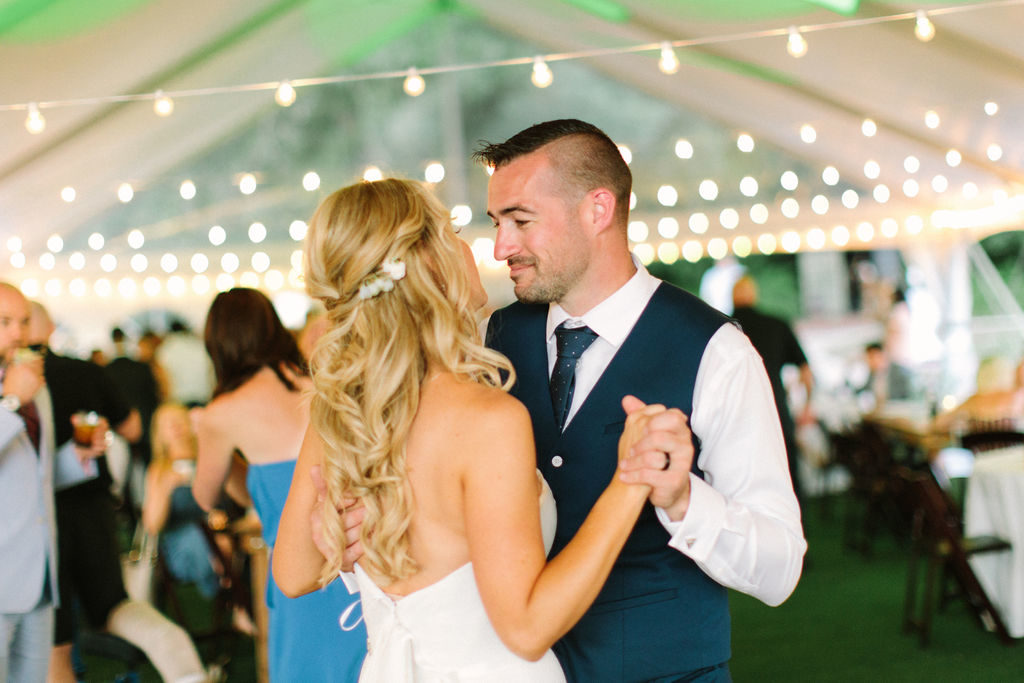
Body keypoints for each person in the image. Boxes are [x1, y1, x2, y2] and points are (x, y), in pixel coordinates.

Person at [273, 178, 661, 682]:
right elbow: (524, 628)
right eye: (451, 230)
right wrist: (631, 480)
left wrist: (337, 537)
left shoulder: (344, 411)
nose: (478, 245)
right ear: (428, 262)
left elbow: (291, 573)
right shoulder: (486, 420)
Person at [475, 119, 805, 681]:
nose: (502, 246)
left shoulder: (717, 351)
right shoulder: (495, 339)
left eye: (520, 221)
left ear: (597, 210)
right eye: (497, 223)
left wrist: (682, 499)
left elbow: (780, 568)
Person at [26, 302, 213, 683]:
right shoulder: (85, 373)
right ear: (48, 330)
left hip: (40, 522)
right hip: (89, 511)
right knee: (111, 607)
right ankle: (187, 672)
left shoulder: (19, 384)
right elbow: (131, 428)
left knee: (55, 645)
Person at [191, 288, 366, 682]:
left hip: (296, 568)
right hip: (352, 559)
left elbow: (205, 495)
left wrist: (201, 438)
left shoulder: (223, 412)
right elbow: (265, 484)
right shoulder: (317, 381)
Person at [0, 282, 58, 682]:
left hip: (39, 573)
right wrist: (9, 402)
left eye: (22, 322)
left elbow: (40, 477)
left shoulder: (34, 385)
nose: (18, 333)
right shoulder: (19, 392)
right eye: (4, 322)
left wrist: (81, 460)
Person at [730, 274, 815, 502]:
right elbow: (807, 373)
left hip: (737, 416)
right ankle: (798, 529)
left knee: (742, 484)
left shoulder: (722, 328)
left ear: (733, 297)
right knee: (788, 476)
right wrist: (807, 406)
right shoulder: (777, 325)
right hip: (776, 410)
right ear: (754, 295)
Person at [143, 403, 224, 601]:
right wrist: (166, 487)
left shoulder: (209, 460)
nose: (175, 427)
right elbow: (152, 525)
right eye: (168, 424)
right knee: (198, 535)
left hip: (219, 535)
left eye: (179, 420)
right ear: (159, 434)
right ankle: (230, 597)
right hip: (183, 545)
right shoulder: (159, 471)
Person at [156, 321, 213, 407]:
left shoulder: (165, 349)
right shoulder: (199, 345)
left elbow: (163, 379)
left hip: (179, 401)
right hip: (204, 398)